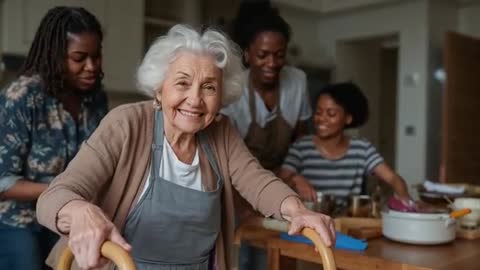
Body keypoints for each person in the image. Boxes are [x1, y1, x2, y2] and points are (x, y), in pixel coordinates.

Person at [36, 25, 335, 270]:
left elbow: (257, 181)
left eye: (209, 87)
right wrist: (80, 212)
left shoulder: (221, 132)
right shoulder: (126, 124)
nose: (195, 99)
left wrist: (297, 210)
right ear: (159, 87)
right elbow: (54, 197)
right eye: (182, 83)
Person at [0, 6, 108, 270]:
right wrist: (62, 195)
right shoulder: (22, 97)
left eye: (96, 56)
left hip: (69, 220)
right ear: (55, 56)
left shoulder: (96, 99)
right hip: (19, 222)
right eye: (79, 58)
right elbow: (2, 182)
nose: (91, 67)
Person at [279, 82, 411, 206]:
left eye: (331, 114)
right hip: (309, 220)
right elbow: (282, 177)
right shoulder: (302, 147)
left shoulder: (362, 149)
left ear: (348, 118)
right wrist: (295, 179)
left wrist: (405, 202)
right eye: (318, 112)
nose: (321, 119)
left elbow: (393, 179)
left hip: (345, 221)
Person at [222, 7, 312, 173]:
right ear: (248, 54)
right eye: (263, 55)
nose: (272, 63)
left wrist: (290, 173)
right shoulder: (233, 88)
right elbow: (228, 150)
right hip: (243, 175)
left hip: (285, 174)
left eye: (279, 55)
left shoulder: (298, 80)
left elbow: (301, 139)